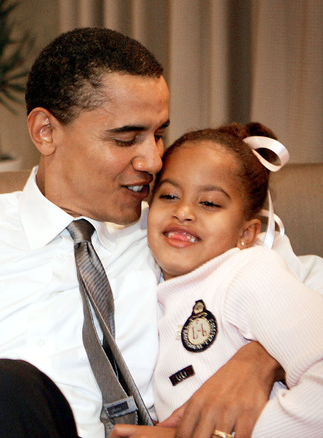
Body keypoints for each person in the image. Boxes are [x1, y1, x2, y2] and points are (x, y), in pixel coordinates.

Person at [0, 27, 323, 438]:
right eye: (127, 138)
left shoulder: (182, 233)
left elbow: (305, 297)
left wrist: (260, 358)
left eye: (159, 134)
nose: (153, 160)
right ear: (45, 131)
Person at [111, 123, 323, 438]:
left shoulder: (249, 271)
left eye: (209, 203)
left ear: (246, 234)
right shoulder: (155, 293)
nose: (183, 211)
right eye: (169, 195)